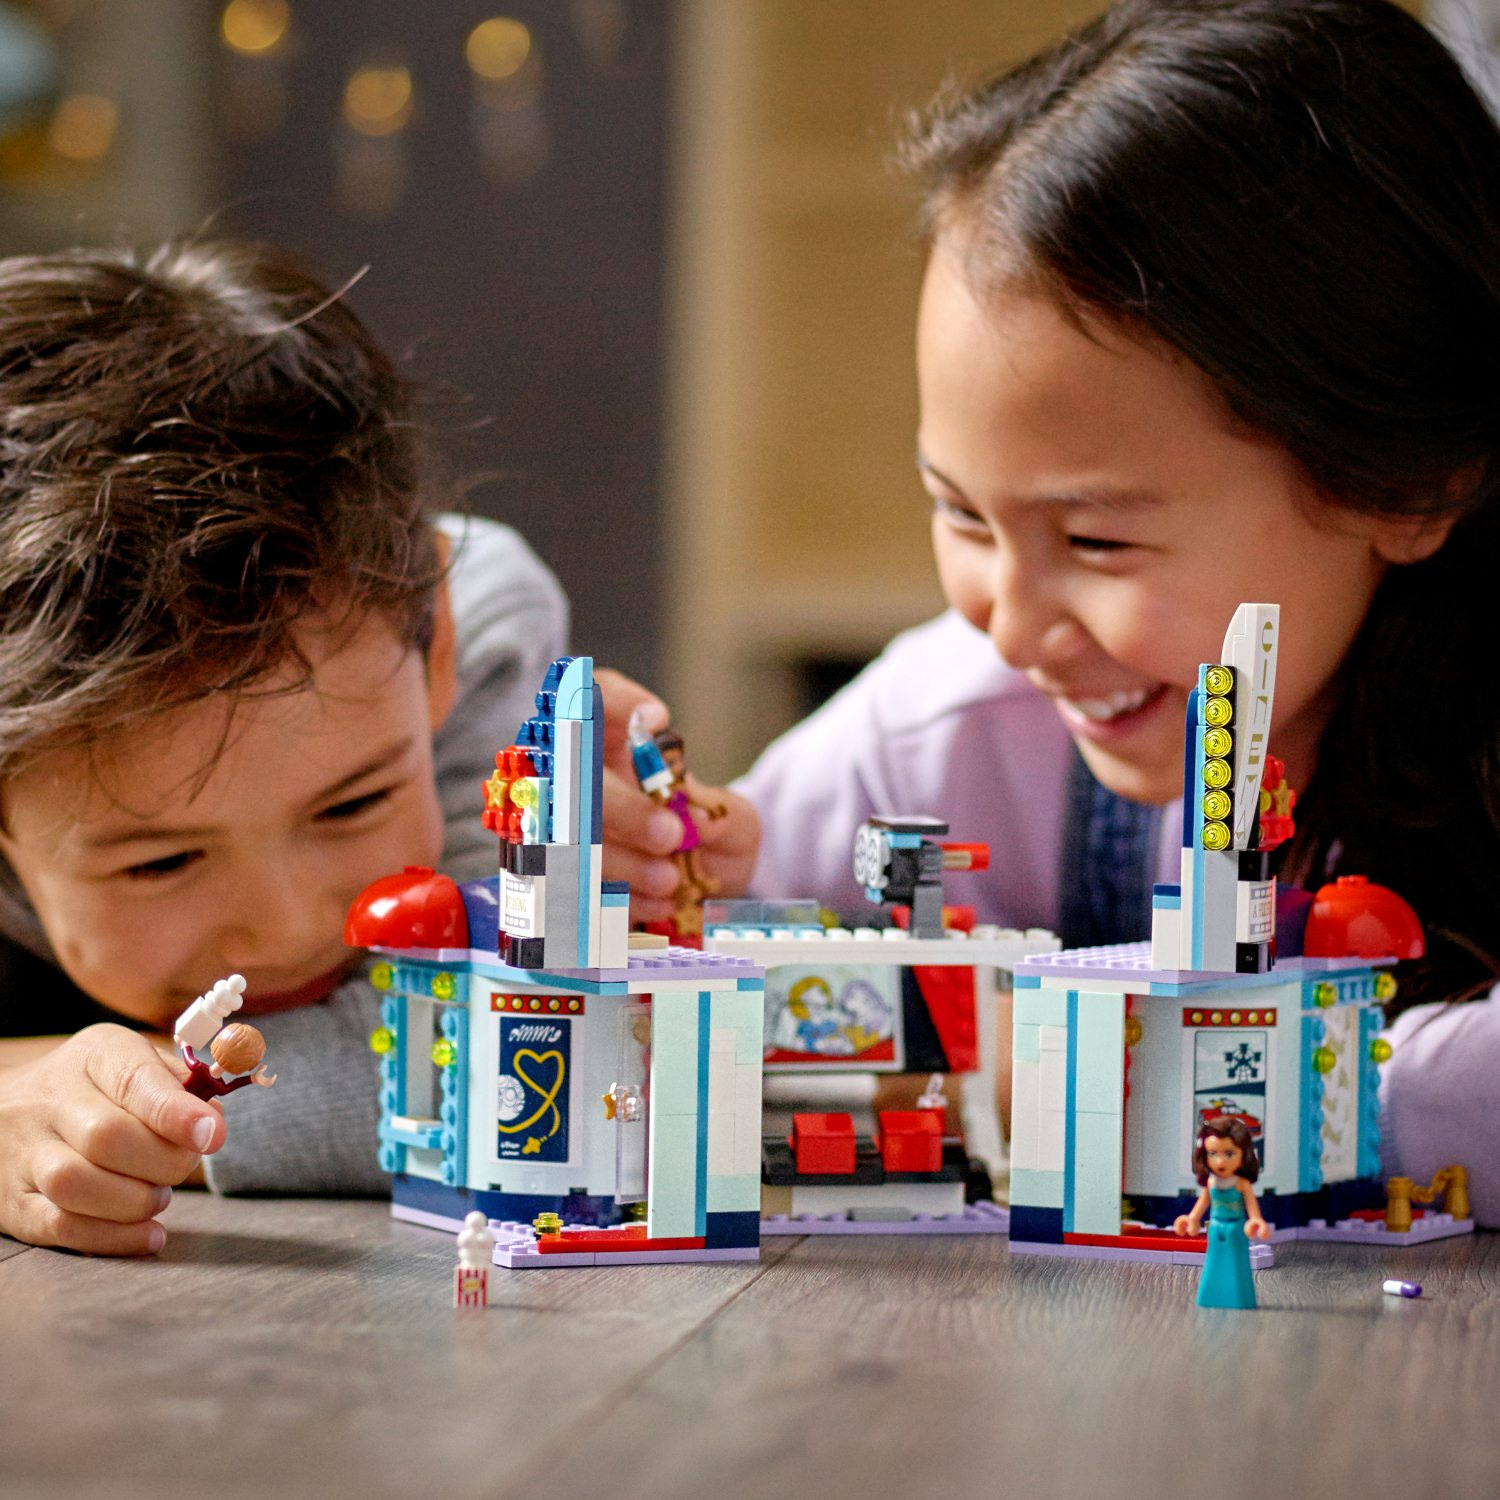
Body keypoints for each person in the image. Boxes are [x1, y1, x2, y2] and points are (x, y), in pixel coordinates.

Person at [600, 0, 1500, 1220]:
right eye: (961, 514)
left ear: (1412, 483)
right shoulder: (958, 728)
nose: (1014, 628)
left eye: (1096, 540)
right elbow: (685, 992)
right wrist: (647, 869)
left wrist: (1137, 1090)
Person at [0, 239, 567, 1254]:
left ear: (434, 644)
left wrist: (63, 1101)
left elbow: (512, 1064)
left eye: (351, 804)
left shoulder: (472, 630)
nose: (288, 928)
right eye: (161, 860)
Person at [1174, 1117, 1272, 1311]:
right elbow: (1202, 1204)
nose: (1220, 1162)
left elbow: (1252, 1208)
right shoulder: (1211, 1182)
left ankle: (1237, 1298)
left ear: (1244, 1154)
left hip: (1236, 1229)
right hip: (1216, 1228)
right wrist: (1192, 1219)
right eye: (1213, 1153)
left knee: (1236, 1264)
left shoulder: (1241, 1183)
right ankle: (1211, 1296)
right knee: (1214, 1262)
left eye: (1229, 1153)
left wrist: (1256, 1221)